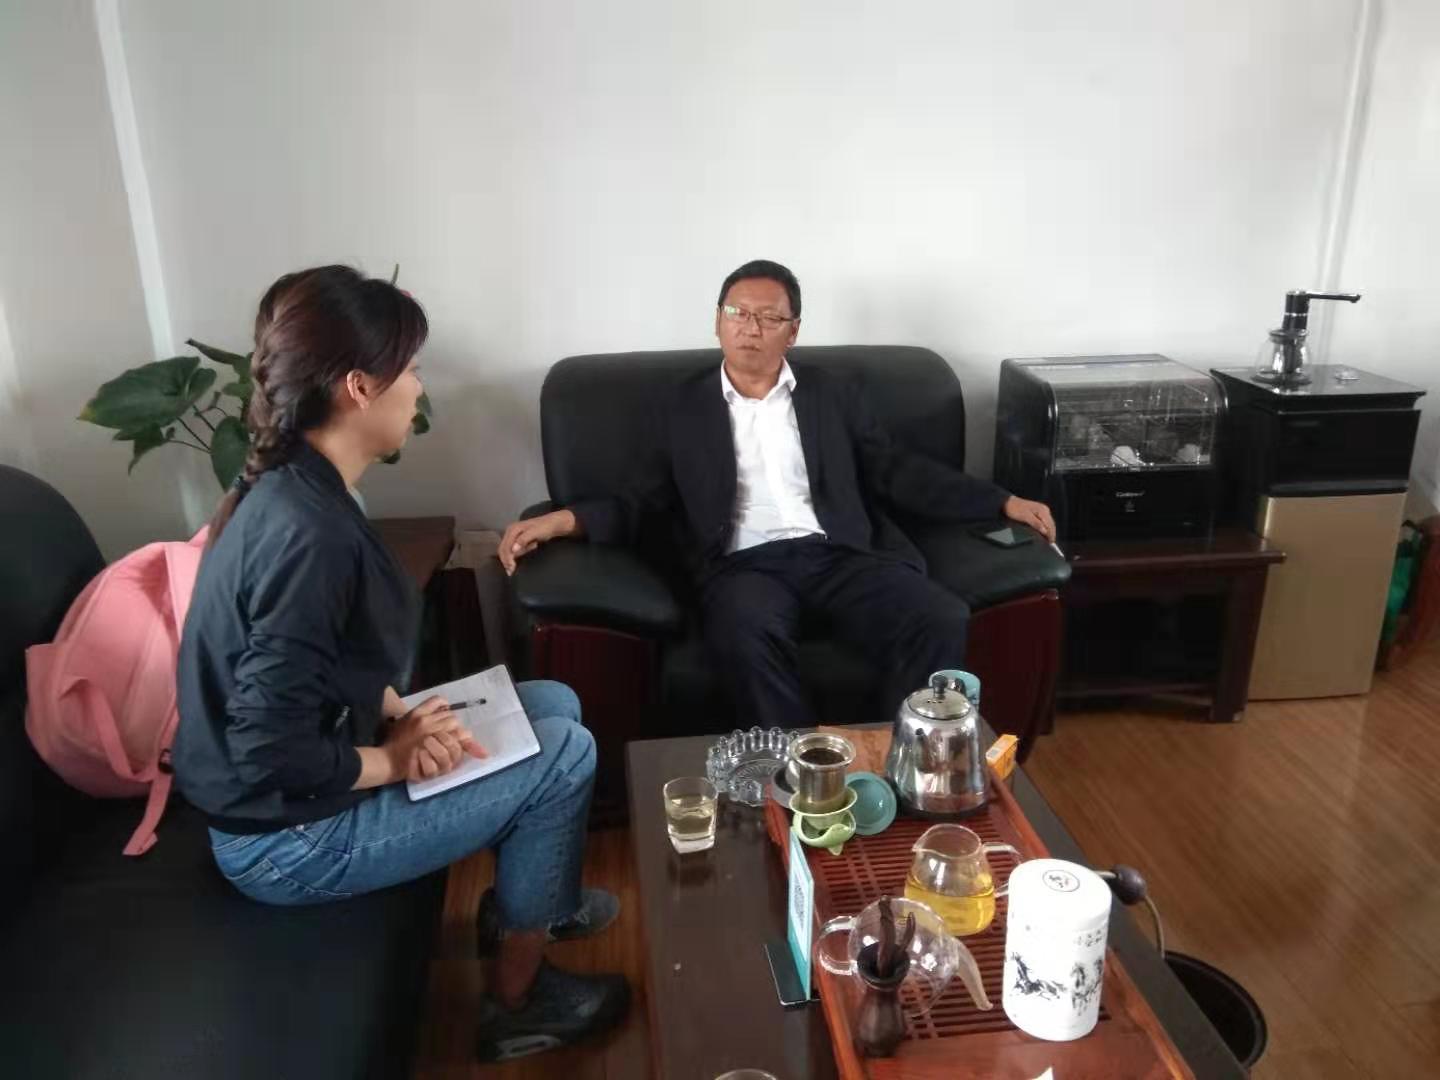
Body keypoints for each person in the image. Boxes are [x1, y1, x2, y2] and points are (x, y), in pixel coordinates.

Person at [173, 265, 629, 1063]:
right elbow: (266, 748)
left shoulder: (297, 485)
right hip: (285, 840)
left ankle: (528, 903)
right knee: (564, 753)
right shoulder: (306, 532)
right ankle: (519, 1000)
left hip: (305, 780)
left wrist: (399, 712)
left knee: (551, 703)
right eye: (410, 369)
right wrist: (394, 758)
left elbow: (313, 660)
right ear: (358, 387)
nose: (418, 388)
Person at [498, 259, 1056, 728]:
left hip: (840, 554)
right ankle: (802, 779)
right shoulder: (680, 407)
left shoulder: (831, 393)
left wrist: (1000, 501)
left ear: (792, 331)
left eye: (769, 317)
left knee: (940, 614)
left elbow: (897, 470)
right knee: (746, 633)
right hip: (744, 566)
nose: (751, 328)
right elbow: (639, 499)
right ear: (717, 322)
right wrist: (561, 521)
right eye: (737, 313)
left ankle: (900, 763)